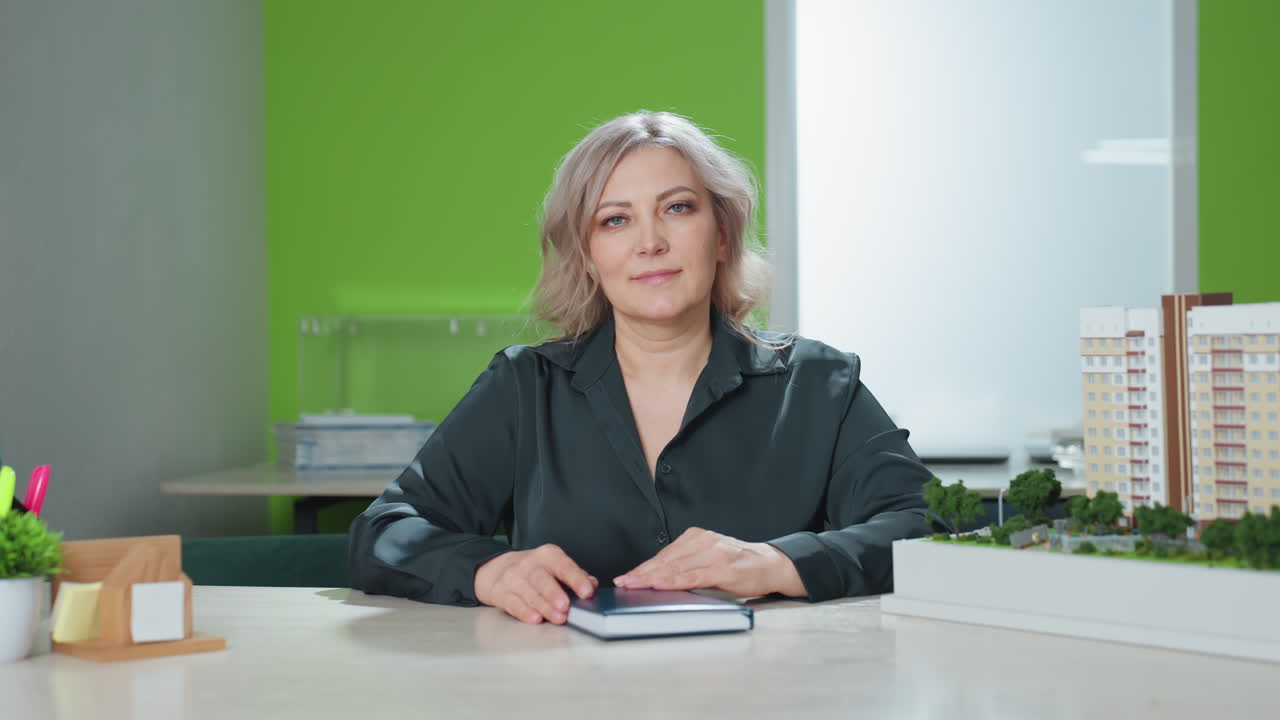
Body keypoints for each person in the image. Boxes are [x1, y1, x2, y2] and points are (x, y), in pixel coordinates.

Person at [347, 111, 934, 625]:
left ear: (723, 234)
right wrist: (488, 571)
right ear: (588, 257)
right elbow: (384, 532)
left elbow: (928, 526)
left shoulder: (819, 384)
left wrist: (776, 563)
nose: (650, 242)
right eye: (615, 220)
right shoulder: (524, 387)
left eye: (677, 208)